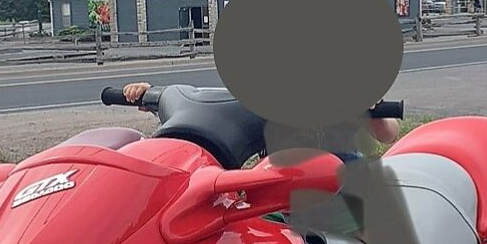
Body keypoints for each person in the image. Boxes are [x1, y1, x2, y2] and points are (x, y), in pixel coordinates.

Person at [120, 82, 402, 157]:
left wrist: (373, 110)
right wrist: (155, 95)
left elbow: (388, 133)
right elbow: (214, 101)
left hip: (339, 177)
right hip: (273, 182)